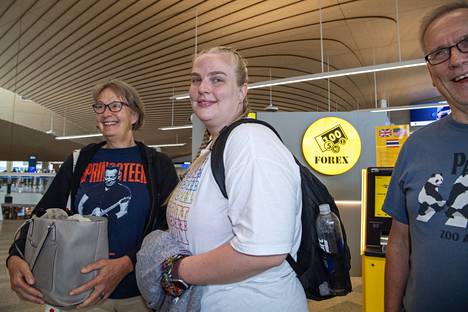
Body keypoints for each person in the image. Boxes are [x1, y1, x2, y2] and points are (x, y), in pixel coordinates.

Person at [7, 79, 179, 311]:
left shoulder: (157, 165)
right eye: (100, 106)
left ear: (135, 115)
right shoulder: (80, 161)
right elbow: (43, 212)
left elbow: (167, 226)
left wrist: (127, 263)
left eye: (115, 105)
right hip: (80, 289)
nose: (106, 113)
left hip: (138, 292)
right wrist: (14, 256)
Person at [160, 46, 308, 311]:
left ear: (242, 91)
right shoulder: (214, 147)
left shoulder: (251, 142)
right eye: (196, 79)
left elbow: (264, 251)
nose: (202, 88)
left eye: (217, 79)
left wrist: (178, 270)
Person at [383, 3, 468, 312]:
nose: (456, 59)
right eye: (439, 53)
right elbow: (399, 241)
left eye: (466, 42)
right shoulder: (416, 146)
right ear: (432, 75)